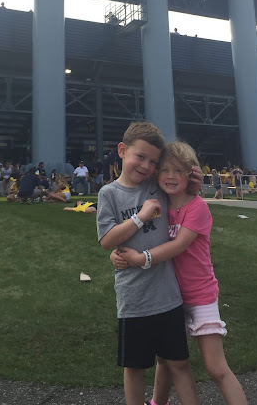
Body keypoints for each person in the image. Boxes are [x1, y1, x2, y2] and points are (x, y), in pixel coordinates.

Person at [114, 141, 247, 405]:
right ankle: (157, 402)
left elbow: (179, 245)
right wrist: (116, 253)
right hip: (169, 297)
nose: (171, 176)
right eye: (165, 170)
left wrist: (141, 259)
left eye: (178, 171)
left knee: (216, 368)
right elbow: (139, 234)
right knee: (166, 359)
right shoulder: (159, 204)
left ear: (190, 174)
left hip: (200, 296)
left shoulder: (197, 207)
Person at [97, 121, 202, 405]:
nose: (146, 166)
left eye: (153, 161)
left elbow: (182, 184)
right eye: (140, 156)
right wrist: (140, 217)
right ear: (122, 150)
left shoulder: (157, 187)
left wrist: (196, 179)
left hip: (168, 296)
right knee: (135, 367)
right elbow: (106, 240)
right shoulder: (109, 194)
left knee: (178, 362)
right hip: (134, 299)